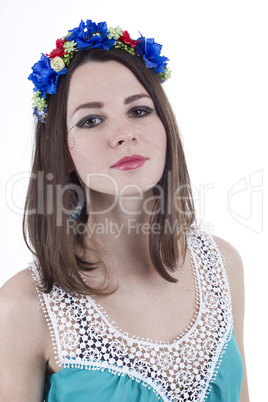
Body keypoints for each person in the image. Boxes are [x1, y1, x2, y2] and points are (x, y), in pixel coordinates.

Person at [0, 19, 249, 401]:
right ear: (61, 150)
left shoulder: (223, 264)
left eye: (139, 111)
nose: (124, 133)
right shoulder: (24, 306)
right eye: (91, 120)